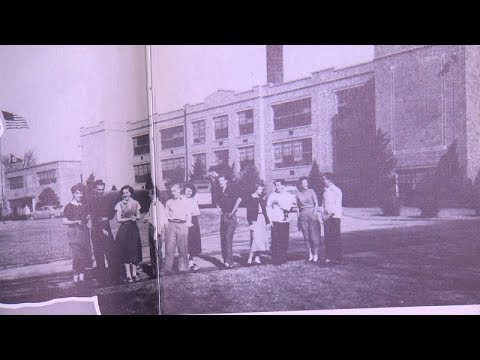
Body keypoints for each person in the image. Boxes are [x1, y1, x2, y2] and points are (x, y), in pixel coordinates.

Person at [88, 179, 118, 284]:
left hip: (107, 228)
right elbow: (93, 216)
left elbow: (112, 212)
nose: (100, 191)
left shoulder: (106, 199)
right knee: (99, 254)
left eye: (102, 189)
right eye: (98, 189)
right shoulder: (91, 200)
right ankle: (102, 278)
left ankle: (113, 276)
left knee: (110, 252)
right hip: (96, 230)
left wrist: (107, 217)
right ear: (95, 189)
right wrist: (101, 229)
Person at [62, 183, 92, 284]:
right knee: (76, 255)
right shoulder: (69, 206)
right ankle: (75, 276)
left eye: (81, 193)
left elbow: (85, 218)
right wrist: (75, 222)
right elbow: (64, 221)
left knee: (83, 254)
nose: (80, 195)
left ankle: (82, 276)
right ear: (73, 194)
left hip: (84, 232)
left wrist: (87, 218)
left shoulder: (84, 205)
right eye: (77, 193)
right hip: (74, 232)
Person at [114, 185, 142, 283]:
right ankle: (128, 275)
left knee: (134, 251)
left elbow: (138, 215)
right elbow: (118, 219)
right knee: (126, 252)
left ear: (130, 193)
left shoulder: (136, 203)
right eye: (124, 193)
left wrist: (136, 217)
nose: (125, 194)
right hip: (124, 230)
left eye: (127, 192)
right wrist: (130, 218)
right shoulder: (119, 204)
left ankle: (134, 274)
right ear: (122, 195)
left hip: (134, 229)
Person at [163, 183, 192, 275]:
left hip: (182, 225)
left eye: (174, 190)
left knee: (183, 247)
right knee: (169, 247)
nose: (173, 193)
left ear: (179, 190)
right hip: (171, 225)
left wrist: (187, 224)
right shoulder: (169, 202)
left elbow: (189, 214)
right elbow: (166, 215)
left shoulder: (185, 201)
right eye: (171, 191)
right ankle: (168, 268)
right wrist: (166, 226)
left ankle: (183, 268)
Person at [266, 179, 297, 265]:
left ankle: (283, 257)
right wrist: (270, 220)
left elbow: (289, 207)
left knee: (284, 240)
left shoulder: (289, 196)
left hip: (284, 220)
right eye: (276, 185)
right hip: (275, 220)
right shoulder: (272, 196)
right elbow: (268, 208)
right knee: (275, 240)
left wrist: (279, 203)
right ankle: (275, 259)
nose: (277, 187)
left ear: (283, 186)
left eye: (278, 185)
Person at [216, 174, 242, 269]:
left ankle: (228, 261)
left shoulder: (231, 189)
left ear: (226, 180)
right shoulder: (219, 191)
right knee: (223, 239)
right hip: (223, 216)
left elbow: (239, 199)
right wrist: (218, 208)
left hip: (231, 217)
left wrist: (233, 211)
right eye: (219, 181)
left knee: (228, 238)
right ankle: (228, 261)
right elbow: (217, 201)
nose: (220, 182)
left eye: (222, 180)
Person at [296, 177, 322, 262]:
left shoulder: (311, 191)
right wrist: (298, 218)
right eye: (304, 183)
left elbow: (316, 203)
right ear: (300, 185)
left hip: (312, 214)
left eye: (307, 182)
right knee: (306, 236)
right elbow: (297, 207)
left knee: (314, 235)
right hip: (303, 215)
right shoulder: (298, 193)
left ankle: (316, 254)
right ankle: (310, 253)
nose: (306, 184)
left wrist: (314, 213)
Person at [143, 186, 167, 278]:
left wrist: (159, 231)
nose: (149, 195)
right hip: (151, 227)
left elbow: (162, 219)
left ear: (154, 194)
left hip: (157, 229)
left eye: (150, 194)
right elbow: (150, 214)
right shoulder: (151, 204)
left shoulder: (159, 205)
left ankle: (160, 269)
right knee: (152, 249)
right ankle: (154, 268)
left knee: (157, 250)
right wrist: (146, 218)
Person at [246, 182, 271, 265]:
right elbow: (248, 212)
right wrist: (250, 224)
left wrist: (267, 222)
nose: (262, 190)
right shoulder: (250, 198)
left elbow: (264, 211)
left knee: (260, 240)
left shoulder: (260, 198)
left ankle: (257, 257)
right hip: (254, 220)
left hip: (262, 219)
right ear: (256, 189)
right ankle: (250, 258)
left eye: (262, 189)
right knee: (255, 239)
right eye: (260, 189)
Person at [321, 172, 343, 265]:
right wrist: (323, 214)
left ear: (329, 180)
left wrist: (328, 215)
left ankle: (337, 258)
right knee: (328, 237)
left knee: (335, 237)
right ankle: (329, 257)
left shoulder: (337, 190)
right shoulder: (325, 191)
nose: (323, 181)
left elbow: (337, 206)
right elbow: (323, 204)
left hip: (334, 217)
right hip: (327, 218)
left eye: (324, 179)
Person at [184, 182, 202, 271]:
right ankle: (186, 263)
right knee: (186, 243)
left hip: (194, 222)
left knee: (193, 243)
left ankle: (190, 262)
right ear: (184, 190)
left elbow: (197, 212)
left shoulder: (193, 200)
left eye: (190, 191)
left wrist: (191, 212)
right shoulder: (182, 199)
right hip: (185, 222)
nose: (188, 192)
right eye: (187, 190)